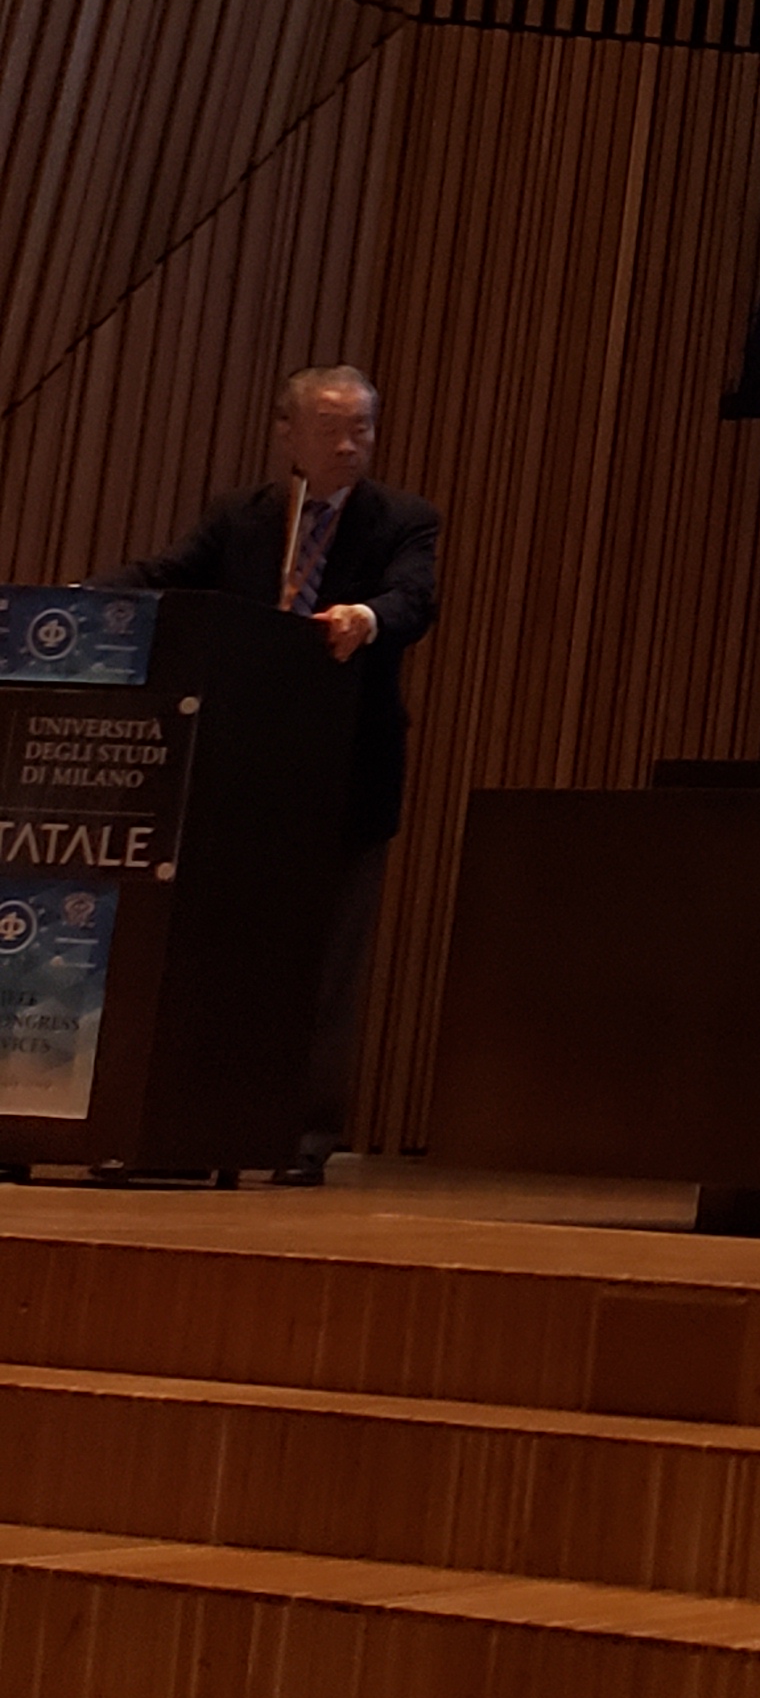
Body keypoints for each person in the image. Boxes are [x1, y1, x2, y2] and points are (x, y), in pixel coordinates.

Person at [117, 363, 441, 1181]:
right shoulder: (243, 516)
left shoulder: (401, 519)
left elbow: (413, 600)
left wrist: (365, 618)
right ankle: (193, 1129)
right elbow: (166, 575)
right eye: (331, 428)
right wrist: (84, 599)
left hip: (344, 772)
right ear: (287, 434)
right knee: (212, 953)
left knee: (327, 965)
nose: (349, 445)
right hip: (237, 770)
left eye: (362, 428)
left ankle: (304, 1137)